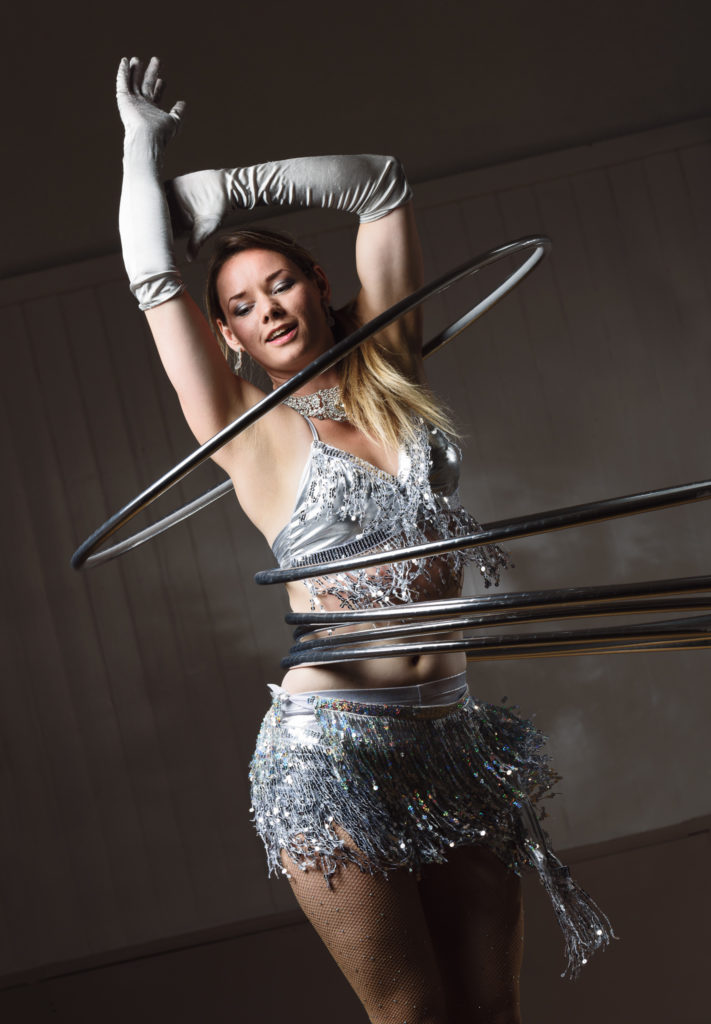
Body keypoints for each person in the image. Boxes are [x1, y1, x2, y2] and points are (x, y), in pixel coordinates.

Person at [116, 56, 611, 1024]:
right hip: (333, 753)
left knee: (493, 1010)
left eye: (281, 283)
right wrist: (142, 151)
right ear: (227, 337)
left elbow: (379, 183)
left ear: (318, 283)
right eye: (242, 305)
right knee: (411, 1015)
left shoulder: (391, 367)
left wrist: (227, 193)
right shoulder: (243, 430)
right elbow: (150, 280)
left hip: (455, 737)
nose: (269, 309)